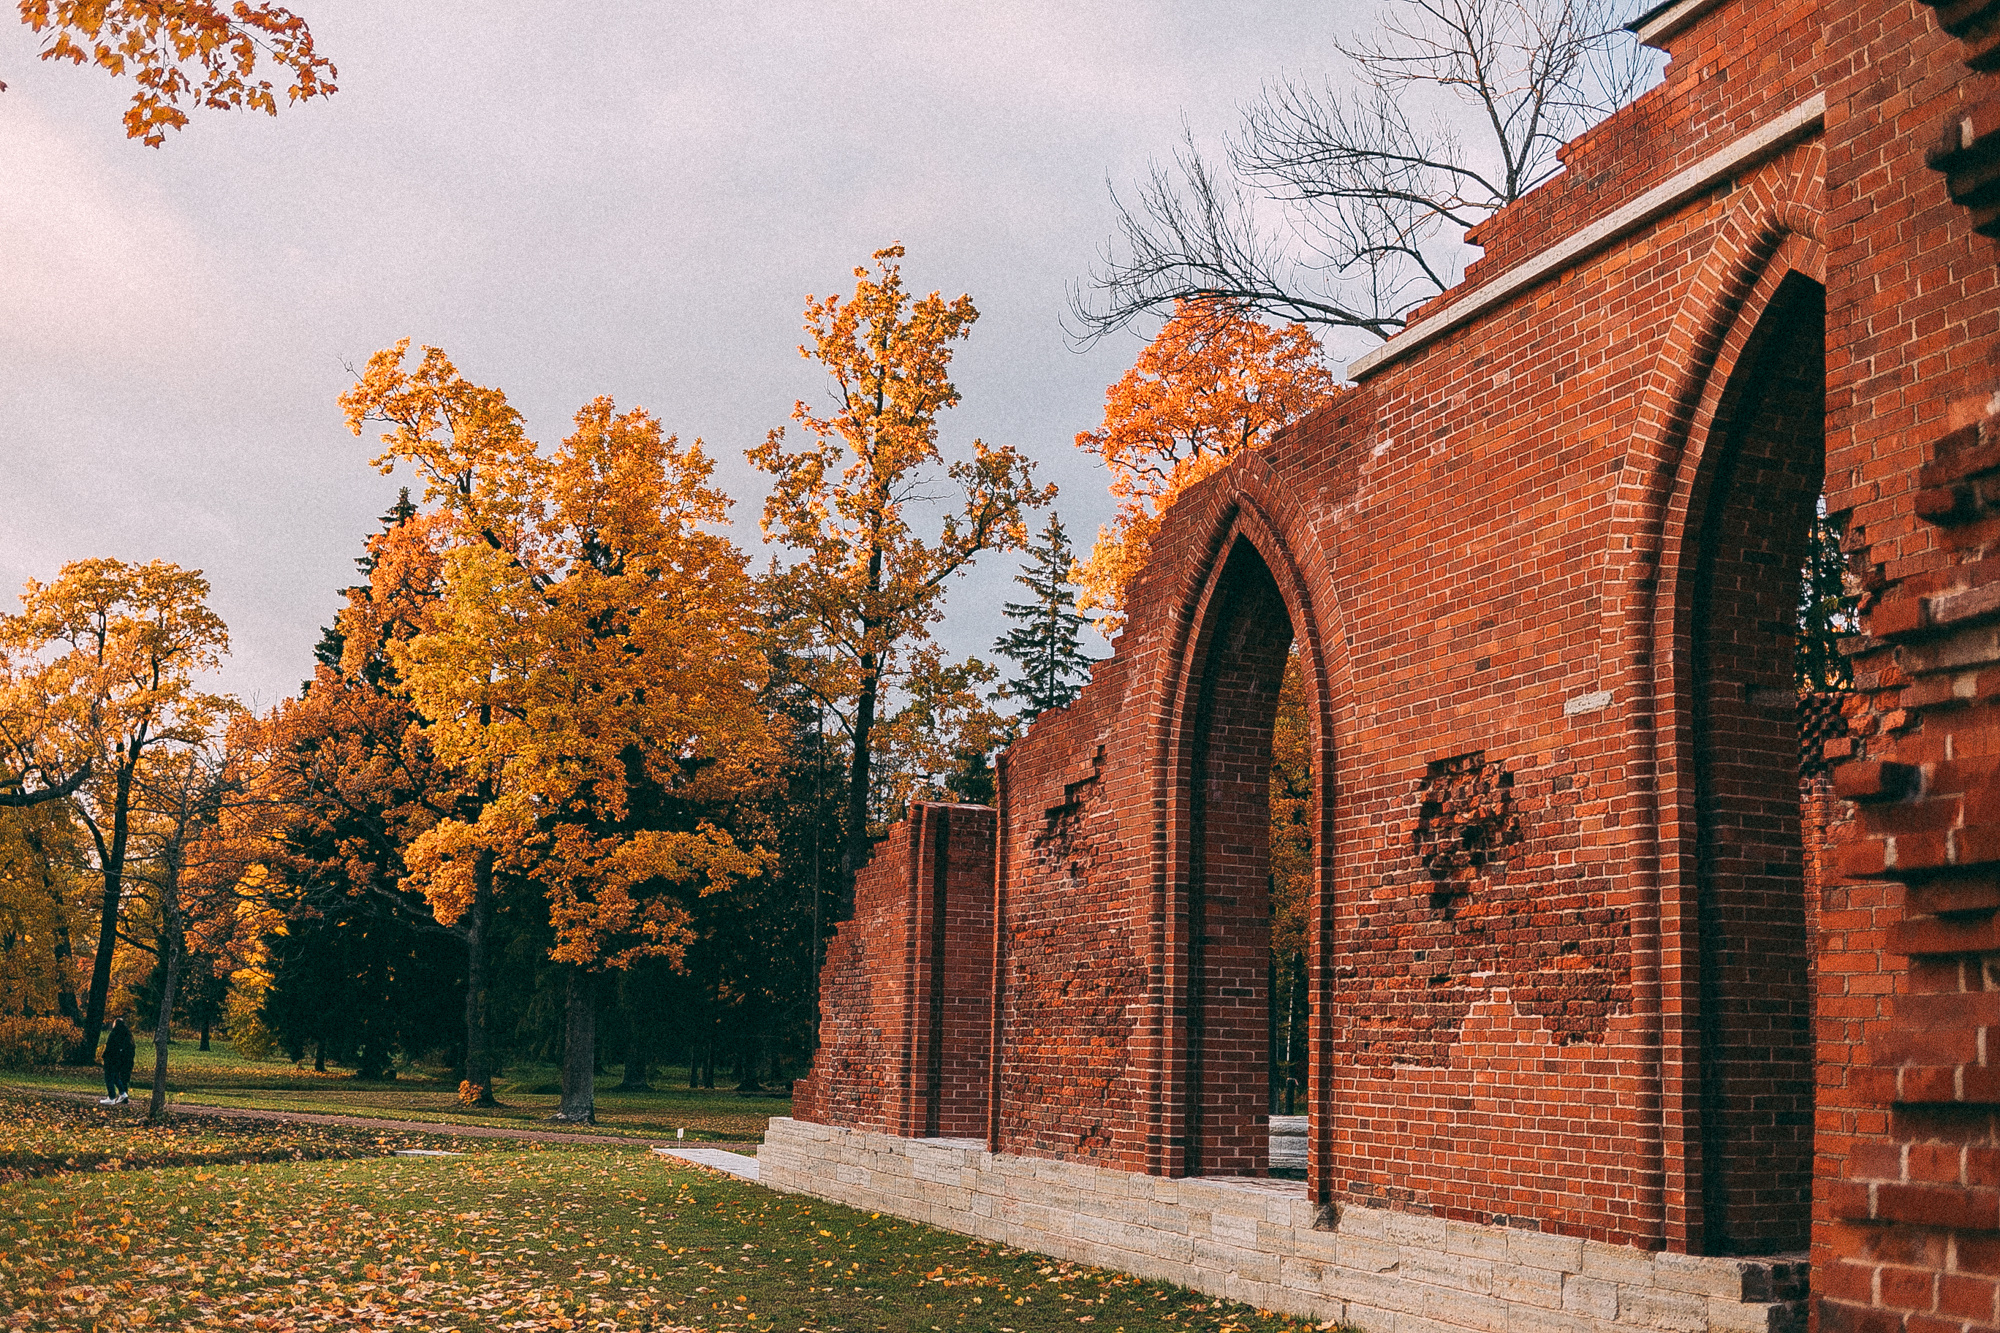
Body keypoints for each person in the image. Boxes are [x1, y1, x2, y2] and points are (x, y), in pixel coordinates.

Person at [99, 1016, 134, 1107]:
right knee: (115, 1077)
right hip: (118, 1060)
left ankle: (111, 1097)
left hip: (111, 1059)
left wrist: (105, 1056)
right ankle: (122, 1093)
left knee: (108, 1077)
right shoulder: (126, 1035)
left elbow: (109, 1047)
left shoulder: (114, 1034)